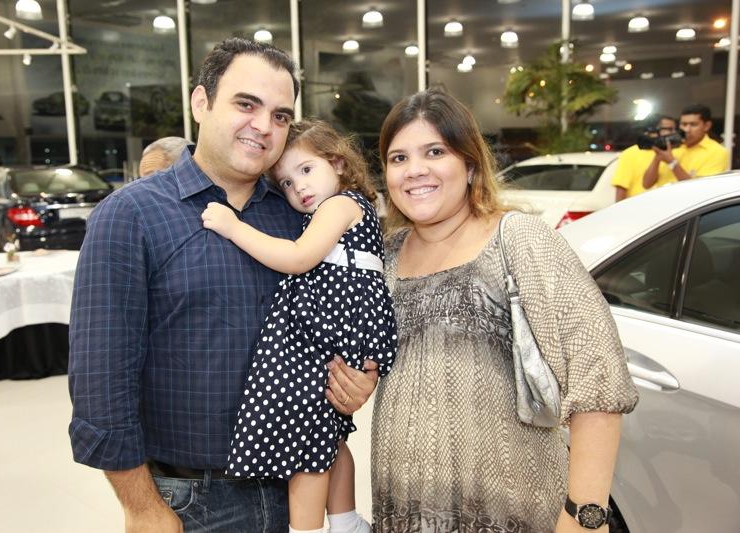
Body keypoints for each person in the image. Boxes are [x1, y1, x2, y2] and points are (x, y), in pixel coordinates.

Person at [68, 38, 379, 533]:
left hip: (299, 487)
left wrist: (357, 378)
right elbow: (100, 378)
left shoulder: (298, 215)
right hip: (191, 500)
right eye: (246, 104)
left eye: (280, 115)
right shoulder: (131, 215)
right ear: (201, 102)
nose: (264, 126)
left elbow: (344, 308)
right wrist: (141, 507)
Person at [371, 88, 638, 532]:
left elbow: (598, 375)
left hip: (515, 512)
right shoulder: (388, 256)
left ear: (470, 164)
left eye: (434, 152)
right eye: (399, 158)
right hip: (403, 509)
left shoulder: (518, 239)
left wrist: (585, 516)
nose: (414, 170)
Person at [201, 119, 397, 533]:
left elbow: (298, 258)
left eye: (306, 170)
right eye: (287, 183)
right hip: (338, 329)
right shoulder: (341, 208)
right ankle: (345, 520)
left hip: (329, 332)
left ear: (338, 163)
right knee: (329, 436)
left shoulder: (339, 205)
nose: (299, 188)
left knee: (305, 445)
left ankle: (305, 528)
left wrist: (234, 227)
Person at [642, 104, 730, 189]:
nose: (687, 129)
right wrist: (657, 158)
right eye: (684, 124)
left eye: (693, 124)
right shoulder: (673, 145)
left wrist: (672, 162)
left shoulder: (717, 151)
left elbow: (700, 190)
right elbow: (646, 184)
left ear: (707, 126)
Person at [611, 114, 678, 201]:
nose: (674, 133)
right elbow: (621, 190)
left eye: (674, 129)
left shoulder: (674, 151)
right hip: (638, 207)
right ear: (653, 130)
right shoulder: (630, 154)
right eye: (669, 129)